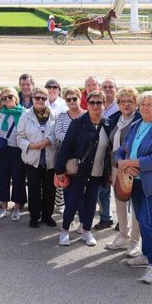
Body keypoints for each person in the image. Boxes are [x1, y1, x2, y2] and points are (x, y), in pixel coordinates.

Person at [115, 91, 152, 285]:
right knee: (141, 218)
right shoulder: (137, 124)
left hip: (150, 184)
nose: (146, 107)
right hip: (134, 182)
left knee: (147, 223)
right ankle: (147, 255)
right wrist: (121, 161)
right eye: (143, 104)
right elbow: (122, 149)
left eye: (150, 104)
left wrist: (132, 162)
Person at [55, 90, 112, 247]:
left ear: (104, 104)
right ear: (87, 103)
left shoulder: (107, 123)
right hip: (78, 172)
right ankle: (65, 230)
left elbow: (110, 150)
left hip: (97, 172)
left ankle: (87, 231)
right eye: (92, 102)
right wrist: (60, 170)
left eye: (99, 103)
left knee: (91, 203)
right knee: (72, 202)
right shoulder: (78, 123)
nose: (95, 106)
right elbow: (66, 147)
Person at [104, 87, 142, 256]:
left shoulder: (141, 120)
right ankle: (122, 236)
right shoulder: (114, 119)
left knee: (135, 204)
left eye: (130, 101)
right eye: (123, 101)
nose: (126, 104)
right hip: (115, 166)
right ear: (118, 104)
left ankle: (135, 241)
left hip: (133, 168)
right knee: (119, 200)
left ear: (136, 103)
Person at [15, 87, 58, 228]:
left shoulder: (54, 115)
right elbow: (19, 136)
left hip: (50, 158)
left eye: (43, 98)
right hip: (32, 158)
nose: (40, 100)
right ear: (32, 98)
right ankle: (34, 216)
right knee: (33, 190)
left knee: (49, 190)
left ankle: (47, 216)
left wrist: (49, 140)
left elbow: (58, 134)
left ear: (47, 99)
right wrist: (30, 145)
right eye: (37, 98)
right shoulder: (25, 115)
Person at [0, 87, 26, 221]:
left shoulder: (24, 113)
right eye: (4, 98)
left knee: (18, 179)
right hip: (3, 150)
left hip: (18, 150)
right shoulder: (1, 114)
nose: (7, 100)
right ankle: (3, 208)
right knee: (2, 179)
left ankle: (17, 208)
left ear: (16, 98)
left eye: (10, 97)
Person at [54, 87, 86, 216]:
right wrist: (73, 140)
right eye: (69, 99)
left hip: (83, 157)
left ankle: (82, 219)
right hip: (66, 157)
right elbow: (58, 133)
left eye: (74, 98)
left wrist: (71, 140)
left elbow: (87, 135)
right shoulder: (62, 116)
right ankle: (69, 216)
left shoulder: (86, 115)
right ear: (65, 101)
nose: (72, 101)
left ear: (79, 99)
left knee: (82, 190)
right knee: (67, 187)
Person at [94, 78, 120, 230]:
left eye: (111, 87)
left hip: (116, 153)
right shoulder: (98, 106)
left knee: (120, 188)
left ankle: (123, 221)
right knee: (103, 188)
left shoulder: (120, 108)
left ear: (116, 90)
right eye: (105, 87)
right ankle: (105, 217)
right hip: (101, 153)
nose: (108, 89)